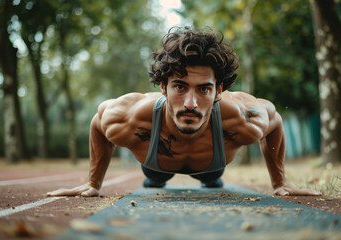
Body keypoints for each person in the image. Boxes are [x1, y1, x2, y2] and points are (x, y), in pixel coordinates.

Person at [47, 27, 321, 197]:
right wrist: (93, 183)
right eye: (180, 86)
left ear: (219, 90)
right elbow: (98, 123)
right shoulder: (129, 116)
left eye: (203, 89)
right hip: (156, 166)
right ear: (163, 87)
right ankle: (156, 180)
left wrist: (280, 183)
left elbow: (274, 120)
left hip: (211, 167)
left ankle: (210, 179)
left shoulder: (241, 116)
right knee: (154, 179)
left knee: (212, 179)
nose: (190, 102)